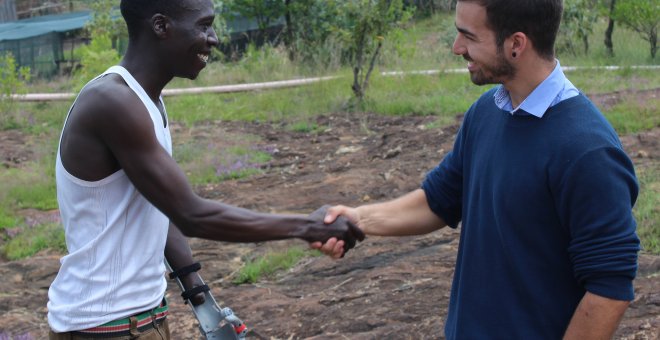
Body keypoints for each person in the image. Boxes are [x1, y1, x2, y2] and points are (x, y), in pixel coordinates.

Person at [313, 0, 641, 338]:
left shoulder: (587, 150)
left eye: (468, 36)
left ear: (516, 44)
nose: (457, 48)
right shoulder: (486, 113)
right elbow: (438, 201)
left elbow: (608, 289)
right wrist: (357, 219)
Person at [48, 0, 364, 338]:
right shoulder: (113, 103)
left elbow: (158, 205)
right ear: (161, 26)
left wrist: (198, 292)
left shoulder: (145, 99)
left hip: (142, 319)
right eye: (204, 25)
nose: (212, 38)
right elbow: (191, 214)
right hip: (105, 327)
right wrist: (309, 227)